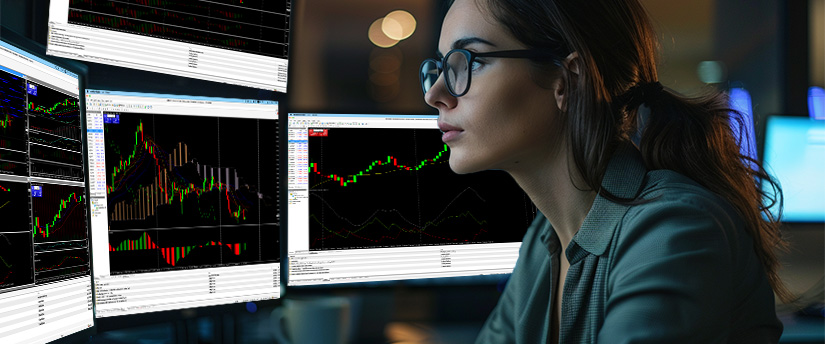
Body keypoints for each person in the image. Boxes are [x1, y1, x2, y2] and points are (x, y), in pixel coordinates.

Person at [419, 0, 792, 342]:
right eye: (439, 68)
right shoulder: (544, 239)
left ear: (568, 79)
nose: (434, 93)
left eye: (469, 61)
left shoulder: (674, 227)